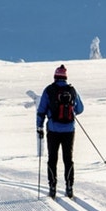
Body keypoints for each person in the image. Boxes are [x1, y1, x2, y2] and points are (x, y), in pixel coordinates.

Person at [36, 64, 84, 199]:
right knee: (68, 159)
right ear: (65, 77)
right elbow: (80, 109)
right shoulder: (72, 90)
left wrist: (39, 127)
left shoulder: (49, 90)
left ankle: (52, 186)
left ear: (55, 76)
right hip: (69, 130)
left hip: (53, 130)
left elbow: (41, 110)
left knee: (52, 159)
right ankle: (69, 186)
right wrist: (71, 112)